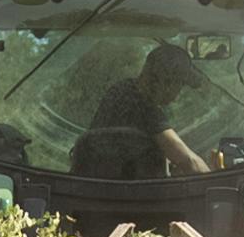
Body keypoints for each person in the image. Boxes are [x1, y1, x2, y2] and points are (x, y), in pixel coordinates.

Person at [75, 42, 214, 178]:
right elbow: (189, 162)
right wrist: (215, 181)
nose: (177, 95)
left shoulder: (119, 90)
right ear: (167, 82)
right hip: (129, 194)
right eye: (180, 85)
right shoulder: (147, 110)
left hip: (88, 187)